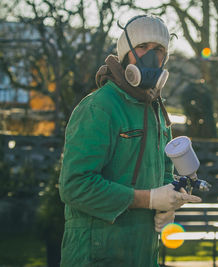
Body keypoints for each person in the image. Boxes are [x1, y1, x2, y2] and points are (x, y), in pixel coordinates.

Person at [58, 15, 201, 266]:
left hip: (142, 254)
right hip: (97, 256)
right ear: (125, 54)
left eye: (158, 50)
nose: (151, 57)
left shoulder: (156, 111)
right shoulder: (99, 107)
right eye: (142, 47)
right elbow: (74, 185)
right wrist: (147, 199)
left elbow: (162, 175)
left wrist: (169, 201)